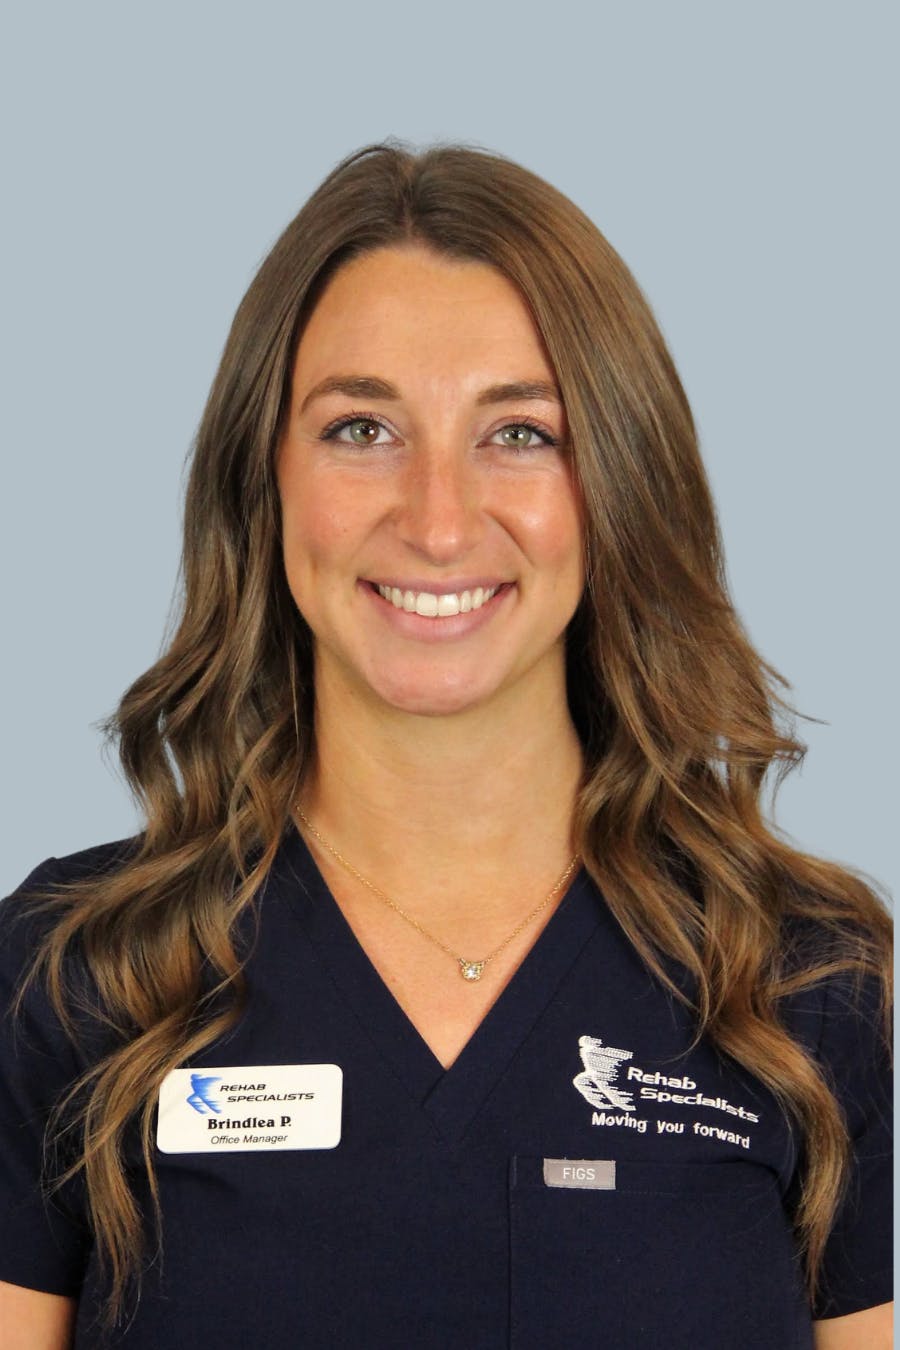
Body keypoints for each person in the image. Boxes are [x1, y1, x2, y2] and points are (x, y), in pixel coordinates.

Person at [0, 138, 892, 1350]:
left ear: (621, 481)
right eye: (362, 428)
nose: (436, 521)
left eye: (519, 433)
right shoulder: (76, 975)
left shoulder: (802, 984)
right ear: (264, 479)